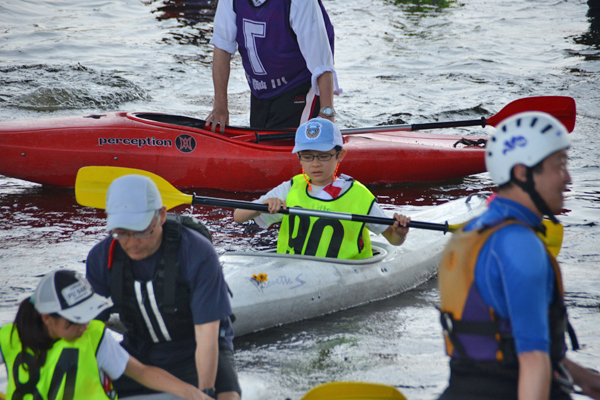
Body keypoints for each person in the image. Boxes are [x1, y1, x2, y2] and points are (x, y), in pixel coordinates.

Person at [436, 111, 600, 400]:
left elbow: (503, 343)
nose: (568, 178)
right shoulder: (521, 245)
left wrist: (583, 378)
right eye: (559, 166)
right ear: (522, 173)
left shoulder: (474, 232)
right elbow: (533, 360)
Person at [85, 175, 241, 400]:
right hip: (139, 352)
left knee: (226, 397)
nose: (131, 242)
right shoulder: (101, 258)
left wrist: (205, 392)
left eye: (140, 231)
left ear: (162, 216)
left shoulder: (197, 252)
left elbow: (207, 333)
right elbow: (90, 329)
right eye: (122, 233)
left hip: (195, 348)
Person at [0, 269, 210, 400]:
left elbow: (142, 372)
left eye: (86, 316)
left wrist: (192, 393)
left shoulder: (92, 334)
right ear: (47, 318)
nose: (83, 326)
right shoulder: (6, 338)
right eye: (74, 320)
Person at [233, 117, 410, 259]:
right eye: (308, 156)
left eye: (323, 156)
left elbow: (393, 240)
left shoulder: (359, 196)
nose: (315, 164)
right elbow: (238, 216)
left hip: (344, 274)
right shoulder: (291, 188)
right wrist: (265, 204)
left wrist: (400, 233)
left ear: (340, 155)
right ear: (299, 158)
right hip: (292, 272)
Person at [205, 0, 341, 132]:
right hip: (260, 92)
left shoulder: (300, 2)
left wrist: (327, 114)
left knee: (295, 150)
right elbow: (222, 46)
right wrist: (220, 105)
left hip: (298, 88)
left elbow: (322, 63)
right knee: (259, 149)